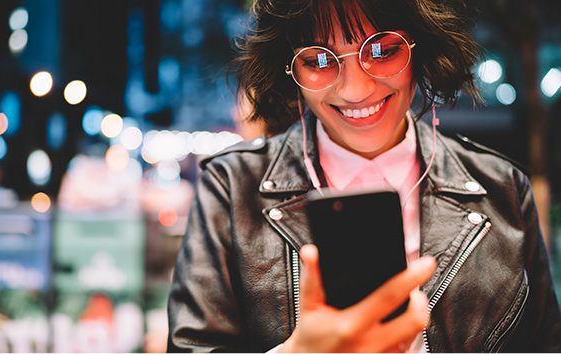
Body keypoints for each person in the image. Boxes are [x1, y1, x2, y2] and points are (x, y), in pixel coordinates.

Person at [167, 0, 561, 352]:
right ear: (290, 68)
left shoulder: (502, 187)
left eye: (383, 50)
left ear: (418, 47)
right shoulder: (231, 187)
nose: (356, 90)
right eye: (319, 60)